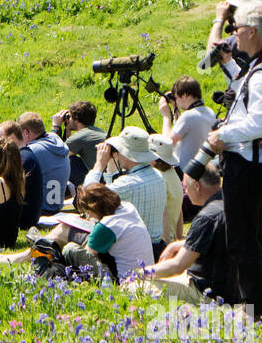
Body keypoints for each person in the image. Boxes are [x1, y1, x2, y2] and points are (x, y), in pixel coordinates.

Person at [205, 0, 262, 318]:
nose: (233, 33)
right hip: (258, 162)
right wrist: (228, 63)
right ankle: (260, 304)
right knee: (252, 233)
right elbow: (245, 90)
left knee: (241, 241)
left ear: (253, 32)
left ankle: (257, 312)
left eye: (237, 28)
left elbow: (257, 122)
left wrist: (221, 136)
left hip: (248, 164)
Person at [0, 185, 151, 283]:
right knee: (66, 231)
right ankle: (41, 246)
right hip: (143, 271)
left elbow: (90, 254)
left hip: (119, 278)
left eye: (88, 213)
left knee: (69, 248)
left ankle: (38, 250)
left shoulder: (105, 226)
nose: (89, 217)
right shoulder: (127, 207)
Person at [148, 164, 233, 304]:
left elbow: (177, 266)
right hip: (236, 288)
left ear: (197, 185)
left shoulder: (206, 217)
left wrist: (140, 273)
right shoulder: (232, 204)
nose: (185, 193)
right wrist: (180, 243)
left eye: (186, 188)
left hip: (209, 292)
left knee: (137, 287)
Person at [83, 126, 167, 257]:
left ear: (127, 155)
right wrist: (112, 161)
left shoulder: (128, 184)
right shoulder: (157, 175)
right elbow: (111, 194)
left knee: (66, 233)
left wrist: (99, 164)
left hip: (130, 251)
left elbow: (88, 195)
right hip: (154, 248)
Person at [159, 76, 217, 173]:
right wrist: (175, 107)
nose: (176, 100)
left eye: (176, 97)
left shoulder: (188, 116)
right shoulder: (209, 112)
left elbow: (166, 143)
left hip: (185, 172)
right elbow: (183, 130)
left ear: (185, 95)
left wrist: (166, 116)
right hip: (204, 169)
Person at [18, 111, 71, 214]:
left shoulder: (31, 151)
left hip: (40, 209)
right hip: (57, 206)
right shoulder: (56, 140)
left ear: (26, 133)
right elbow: (53, 134)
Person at [0, 119, 44, 230]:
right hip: (29, 216)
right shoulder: (25, 155)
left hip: (23, 219)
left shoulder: (22, 159)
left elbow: (5, 191)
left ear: (11, 137)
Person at [149, 133, 184, 245]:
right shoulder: (173, 173)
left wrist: (166, 246)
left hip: (162, 241)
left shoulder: (158, 178)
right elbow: (179, 210)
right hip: (172, 237)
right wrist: (179, 237)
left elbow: (163, 214)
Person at [52, 100, 106, 173]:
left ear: (76, 118)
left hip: (102, 180)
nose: (67, 119)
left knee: (68, 161)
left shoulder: (81, 136)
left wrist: (55, 126)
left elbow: (54, 155)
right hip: (110, 175)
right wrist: (67, 131)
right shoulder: (96, 132)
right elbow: (70, 148)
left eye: (69, 117)